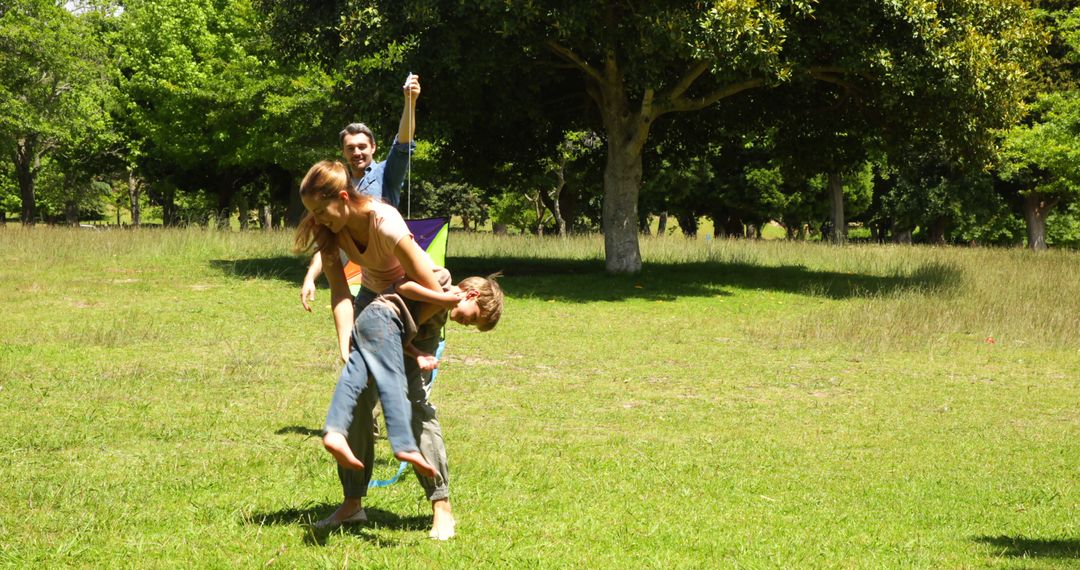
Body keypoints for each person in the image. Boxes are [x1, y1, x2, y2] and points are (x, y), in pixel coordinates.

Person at [320, 269, 503, 479]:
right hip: (373, 325)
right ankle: (353, 488)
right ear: (472, 295)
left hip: (388, 339)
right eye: (472, 318)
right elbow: (402, 289)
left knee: (410, 400)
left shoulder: (442, 313)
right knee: (363, 399)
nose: (466, 323)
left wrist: (417, 354)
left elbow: (402, 333)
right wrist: (441, 299)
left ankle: (409, 455)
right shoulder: (441, 281)